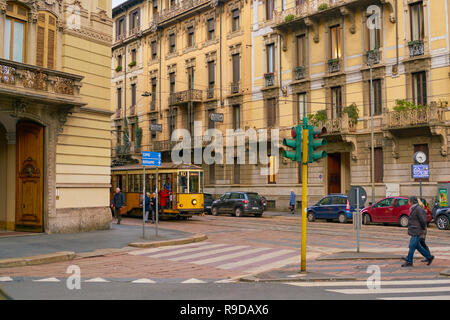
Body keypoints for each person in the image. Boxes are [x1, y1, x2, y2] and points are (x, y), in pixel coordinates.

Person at [402, 196, 434, 267]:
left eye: (409, 201)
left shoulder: (418, 208)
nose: (408, 202)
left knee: (412, 246)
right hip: (414, 229)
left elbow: (423, 220)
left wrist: (422, 229)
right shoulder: (414, 208)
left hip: (417, 230)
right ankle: (429, 257)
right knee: (417, 246)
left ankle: (409, 261)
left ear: (412, 201)